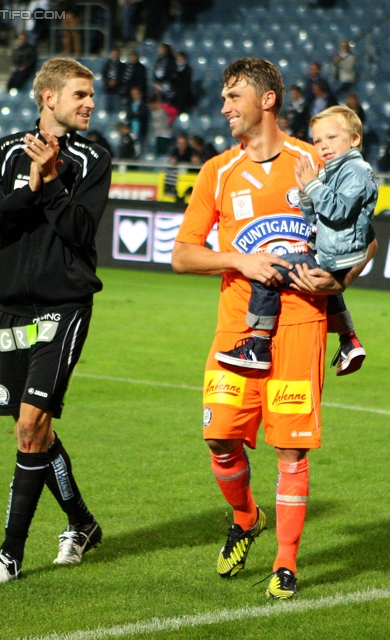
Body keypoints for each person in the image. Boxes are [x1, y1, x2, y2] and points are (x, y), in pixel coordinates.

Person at [172, 57, 377, 599]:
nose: (224, 108)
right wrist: (239, 262)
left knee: (290, 450)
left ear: (266, 100)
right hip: (236, 329)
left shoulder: (316, 158)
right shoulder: (217, 170)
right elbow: (183, 255)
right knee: (219, 437)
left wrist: (342, 281)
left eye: (233, 96)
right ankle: (245, 517)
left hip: (302, 325)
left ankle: (286, 562)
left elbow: (368, 236)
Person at [0, 57, 112, 584]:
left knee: (31, 426)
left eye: (91, 95)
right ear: (49, 98)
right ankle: (81, 523)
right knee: (33, 433)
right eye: (80, 94)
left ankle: (8, 553)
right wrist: (27, 189)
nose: (90, 104)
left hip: (64, 304)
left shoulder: (93, 156)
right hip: (13, 309)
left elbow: (79, 228)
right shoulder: (6, 150)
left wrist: (50, 181)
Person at [215, 105, 377, 377]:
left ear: (355, 139)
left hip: (335, 254)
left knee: (265, 271)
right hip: (328, 254)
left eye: (331, 137)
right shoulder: (332, 171)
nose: (323, 146)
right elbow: (314, 217)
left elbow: (337, 210)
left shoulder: (357, 171)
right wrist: (305, 192)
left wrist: (313, 185)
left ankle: (259, 343)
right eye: (318, 141)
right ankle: (349, 340)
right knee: (324, 287)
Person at [102, 47, 125, 115]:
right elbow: (104, 74)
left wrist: (116, 82)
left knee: (116, 108)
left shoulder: (121, 65)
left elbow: (123, 76)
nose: (114, 55)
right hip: (108, 90)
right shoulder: (107, 65)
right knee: (108, 108)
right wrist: (108, 82)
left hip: (117, 90)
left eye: (115, 54)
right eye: (113, 53)